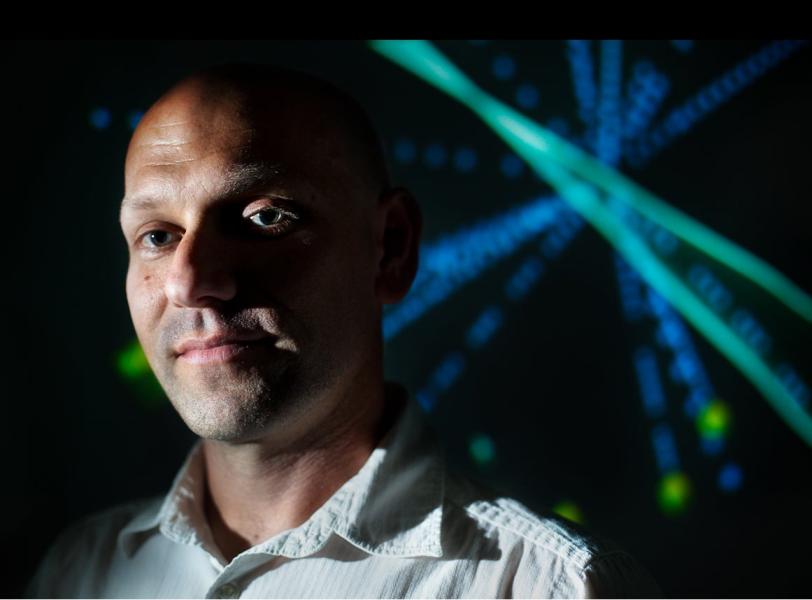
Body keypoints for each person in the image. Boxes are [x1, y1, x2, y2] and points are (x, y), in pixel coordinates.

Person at [27, 62, 661, 598]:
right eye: (158, 236)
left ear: (389, 247)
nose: (191, 281)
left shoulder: (550, 587)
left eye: (264, 216)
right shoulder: (77, 573)